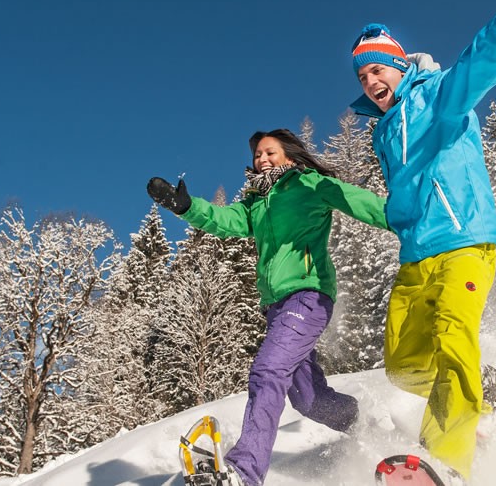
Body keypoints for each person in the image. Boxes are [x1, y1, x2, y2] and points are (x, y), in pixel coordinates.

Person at [347, 0, 496, 480]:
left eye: (376, 69)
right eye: (362, 78)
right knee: (403, 363)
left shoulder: (441, 96)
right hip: (415, 257)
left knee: (453, 337)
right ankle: (479, 387)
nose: (370, 83)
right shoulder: (384, 131)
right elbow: (400, 199)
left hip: (465, 240)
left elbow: (488, 52)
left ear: (398, 65)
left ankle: (444, 460)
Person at [147, 128, 389, 486]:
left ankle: (245, 473)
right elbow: (224, 221)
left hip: (309, 294)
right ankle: (364, 423)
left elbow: (357, 200)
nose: (261, 159)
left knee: (267, 371)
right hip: (277, 307)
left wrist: (411, 220)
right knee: (309, 400)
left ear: (289, 155)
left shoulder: (310, 185)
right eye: (257, 154)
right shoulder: (257, 203)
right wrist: (186, 206)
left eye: (269, 152)